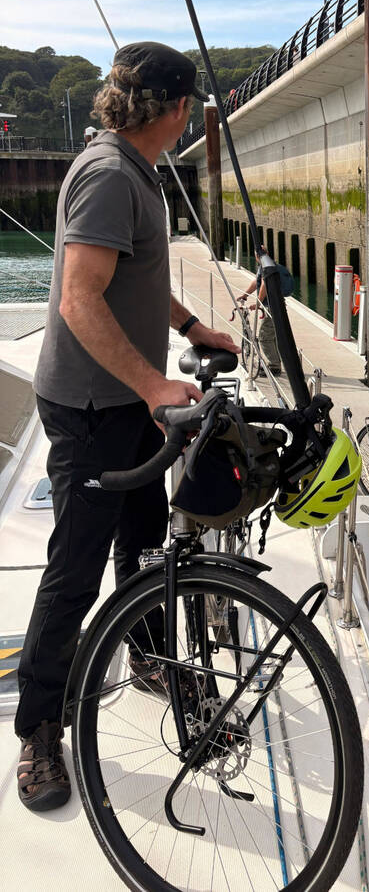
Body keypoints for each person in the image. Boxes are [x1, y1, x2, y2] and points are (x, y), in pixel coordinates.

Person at [16, 41, 239, 813]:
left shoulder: (134, 169)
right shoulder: (112, 175)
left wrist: (191, 326)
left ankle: (145, 656)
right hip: (91, 408)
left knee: (142, 543)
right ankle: (39, 728)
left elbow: (136, 275)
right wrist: (153, 385)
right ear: (178, 111)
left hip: (128, 402)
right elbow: (81, 298)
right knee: (75, 567)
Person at [237, 245, 282, 375]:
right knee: (271, 336)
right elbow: (255, 282)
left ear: (257, 256)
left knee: (264, 337)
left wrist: (257, 304)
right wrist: (245, 295)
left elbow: (264, 285)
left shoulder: (266, 267)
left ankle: (274, 366)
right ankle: (275, 363)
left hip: (271, 307)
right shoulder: (265, 265)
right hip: (274, 305)